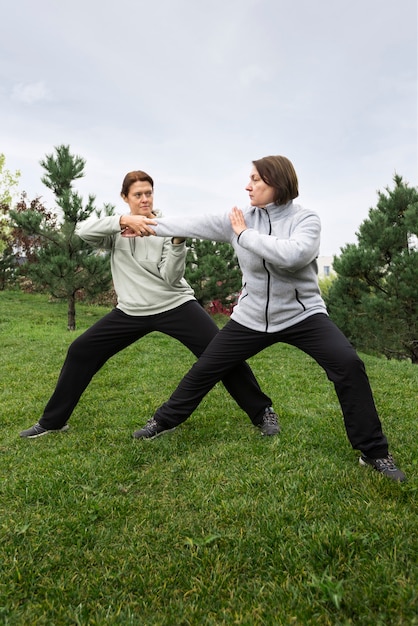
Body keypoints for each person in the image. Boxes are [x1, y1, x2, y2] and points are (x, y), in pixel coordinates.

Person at [130, 156, 406, 482]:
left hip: (302, 314)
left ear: (277, 182)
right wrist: (141, 224)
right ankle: (163, 421)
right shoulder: (239, 217)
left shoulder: (306, 219)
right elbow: (188, 222)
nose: (248, 186)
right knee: (206, 367)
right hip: (250, 316)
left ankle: (373, 452)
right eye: (249, 179)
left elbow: (293, 256)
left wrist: (244, 235)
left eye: (256, 180)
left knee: (347, 363)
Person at [19, 170, 279, 439]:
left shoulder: (166, 227)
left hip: (175, 304)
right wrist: (122, 220)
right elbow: (82, 232)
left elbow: (171, 277)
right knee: (80, 351)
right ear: (125, 197)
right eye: (138, 195)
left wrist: (178, 241)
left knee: (220, 354)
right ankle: (53, 421)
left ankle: (263, 413)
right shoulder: (116, 231)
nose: (145, 199)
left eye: (148, 193)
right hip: (130, 311)